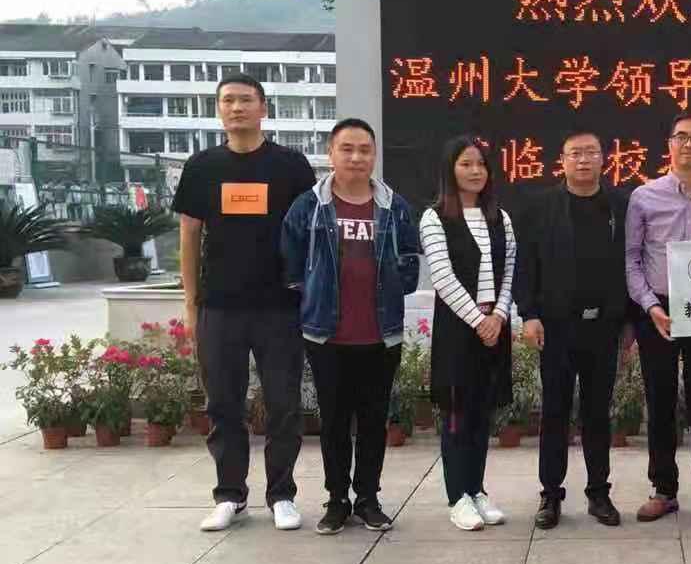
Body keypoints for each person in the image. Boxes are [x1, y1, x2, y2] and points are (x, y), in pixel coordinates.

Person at [174, 74, 316, 532]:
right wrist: (191, 303)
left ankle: (282, 495)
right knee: (223, 404)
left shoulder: (291, 167)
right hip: (220, 306)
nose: (237, 108)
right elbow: (189, 236)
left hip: (279, 306)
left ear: (263, 108)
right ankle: (230, 495)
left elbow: (309, 236)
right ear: (219, 110)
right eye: (228, 101)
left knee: (283, 405)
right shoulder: (202, 167)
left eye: (246, 100)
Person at [281, 118, 420, 534]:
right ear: (331, 154)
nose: (356, 157)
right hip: (326, 335)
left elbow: (409, 264)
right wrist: (314, 299)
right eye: (347, 148)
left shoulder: (395, 206)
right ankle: (337, 499)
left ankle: (368, 499)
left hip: (381, 334)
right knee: (335, 422)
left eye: (364, 149)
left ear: (374, 156)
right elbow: (291, 265)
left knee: (374, 421)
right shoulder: (308, 206)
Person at [625, 112, 691, 528]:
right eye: (682, 137)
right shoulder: (643, 197)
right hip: (658, 310)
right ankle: (664, 490)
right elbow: (631, 259)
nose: (689, 144)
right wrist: (650, 306)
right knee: (660, 402)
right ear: (669, 145)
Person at [516, 129, 629, 529]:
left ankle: (599, 493)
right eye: (575, 153)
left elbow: (631, 263)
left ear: (603, 159)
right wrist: (528, 314)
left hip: (604, 327)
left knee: (598, 413)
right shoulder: (540, 207)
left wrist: (627, 322)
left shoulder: (621, 205)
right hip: (556, 328)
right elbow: (525, 264)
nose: (583, 160)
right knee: (555, 412)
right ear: (562, 161)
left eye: (591, 153)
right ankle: (551, 494)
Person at [419, 134, 516, 531]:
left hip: (495, 327)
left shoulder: (501, 217)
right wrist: (479, 320)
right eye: (466, 164)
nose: (475, 171)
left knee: (481, 415)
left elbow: (510, 271)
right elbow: (443, 277)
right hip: (459, 331)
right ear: (450, 169)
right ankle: (457, 497)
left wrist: (500, 315)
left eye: (481, 164)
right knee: (457, 417)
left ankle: (476, 490)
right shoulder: (434, 217)